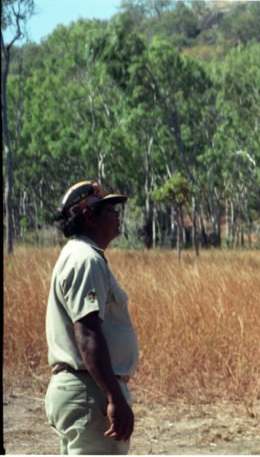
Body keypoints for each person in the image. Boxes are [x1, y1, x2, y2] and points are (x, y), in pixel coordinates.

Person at [44, 180, 138, 454]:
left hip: (87, 389)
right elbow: (87, 334)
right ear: (90, 217)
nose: (116, 214)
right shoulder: (86, 259)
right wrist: (114, 397)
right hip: (89, 392)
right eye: (109, 209)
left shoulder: (81, 255)